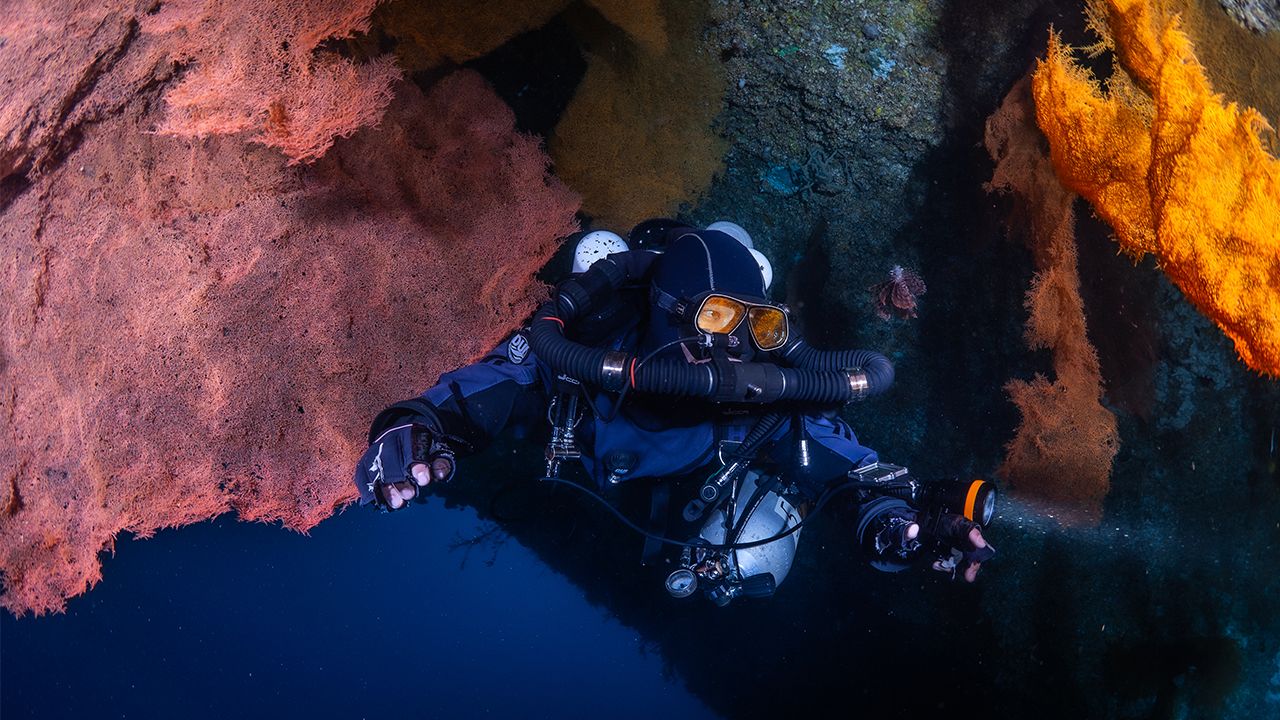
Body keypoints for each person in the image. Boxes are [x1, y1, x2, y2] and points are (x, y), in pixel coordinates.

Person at [353, 219, 995, 605]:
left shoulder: (765, 398)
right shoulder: (585, 349)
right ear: (662, 310)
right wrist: (417, 426)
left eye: (750, 324)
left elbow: (838, 460)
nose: (728, 348)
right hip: (585, 477)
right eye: (713, 317)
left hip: (682, 513)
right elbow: (502, 375)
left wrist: (901, 519)